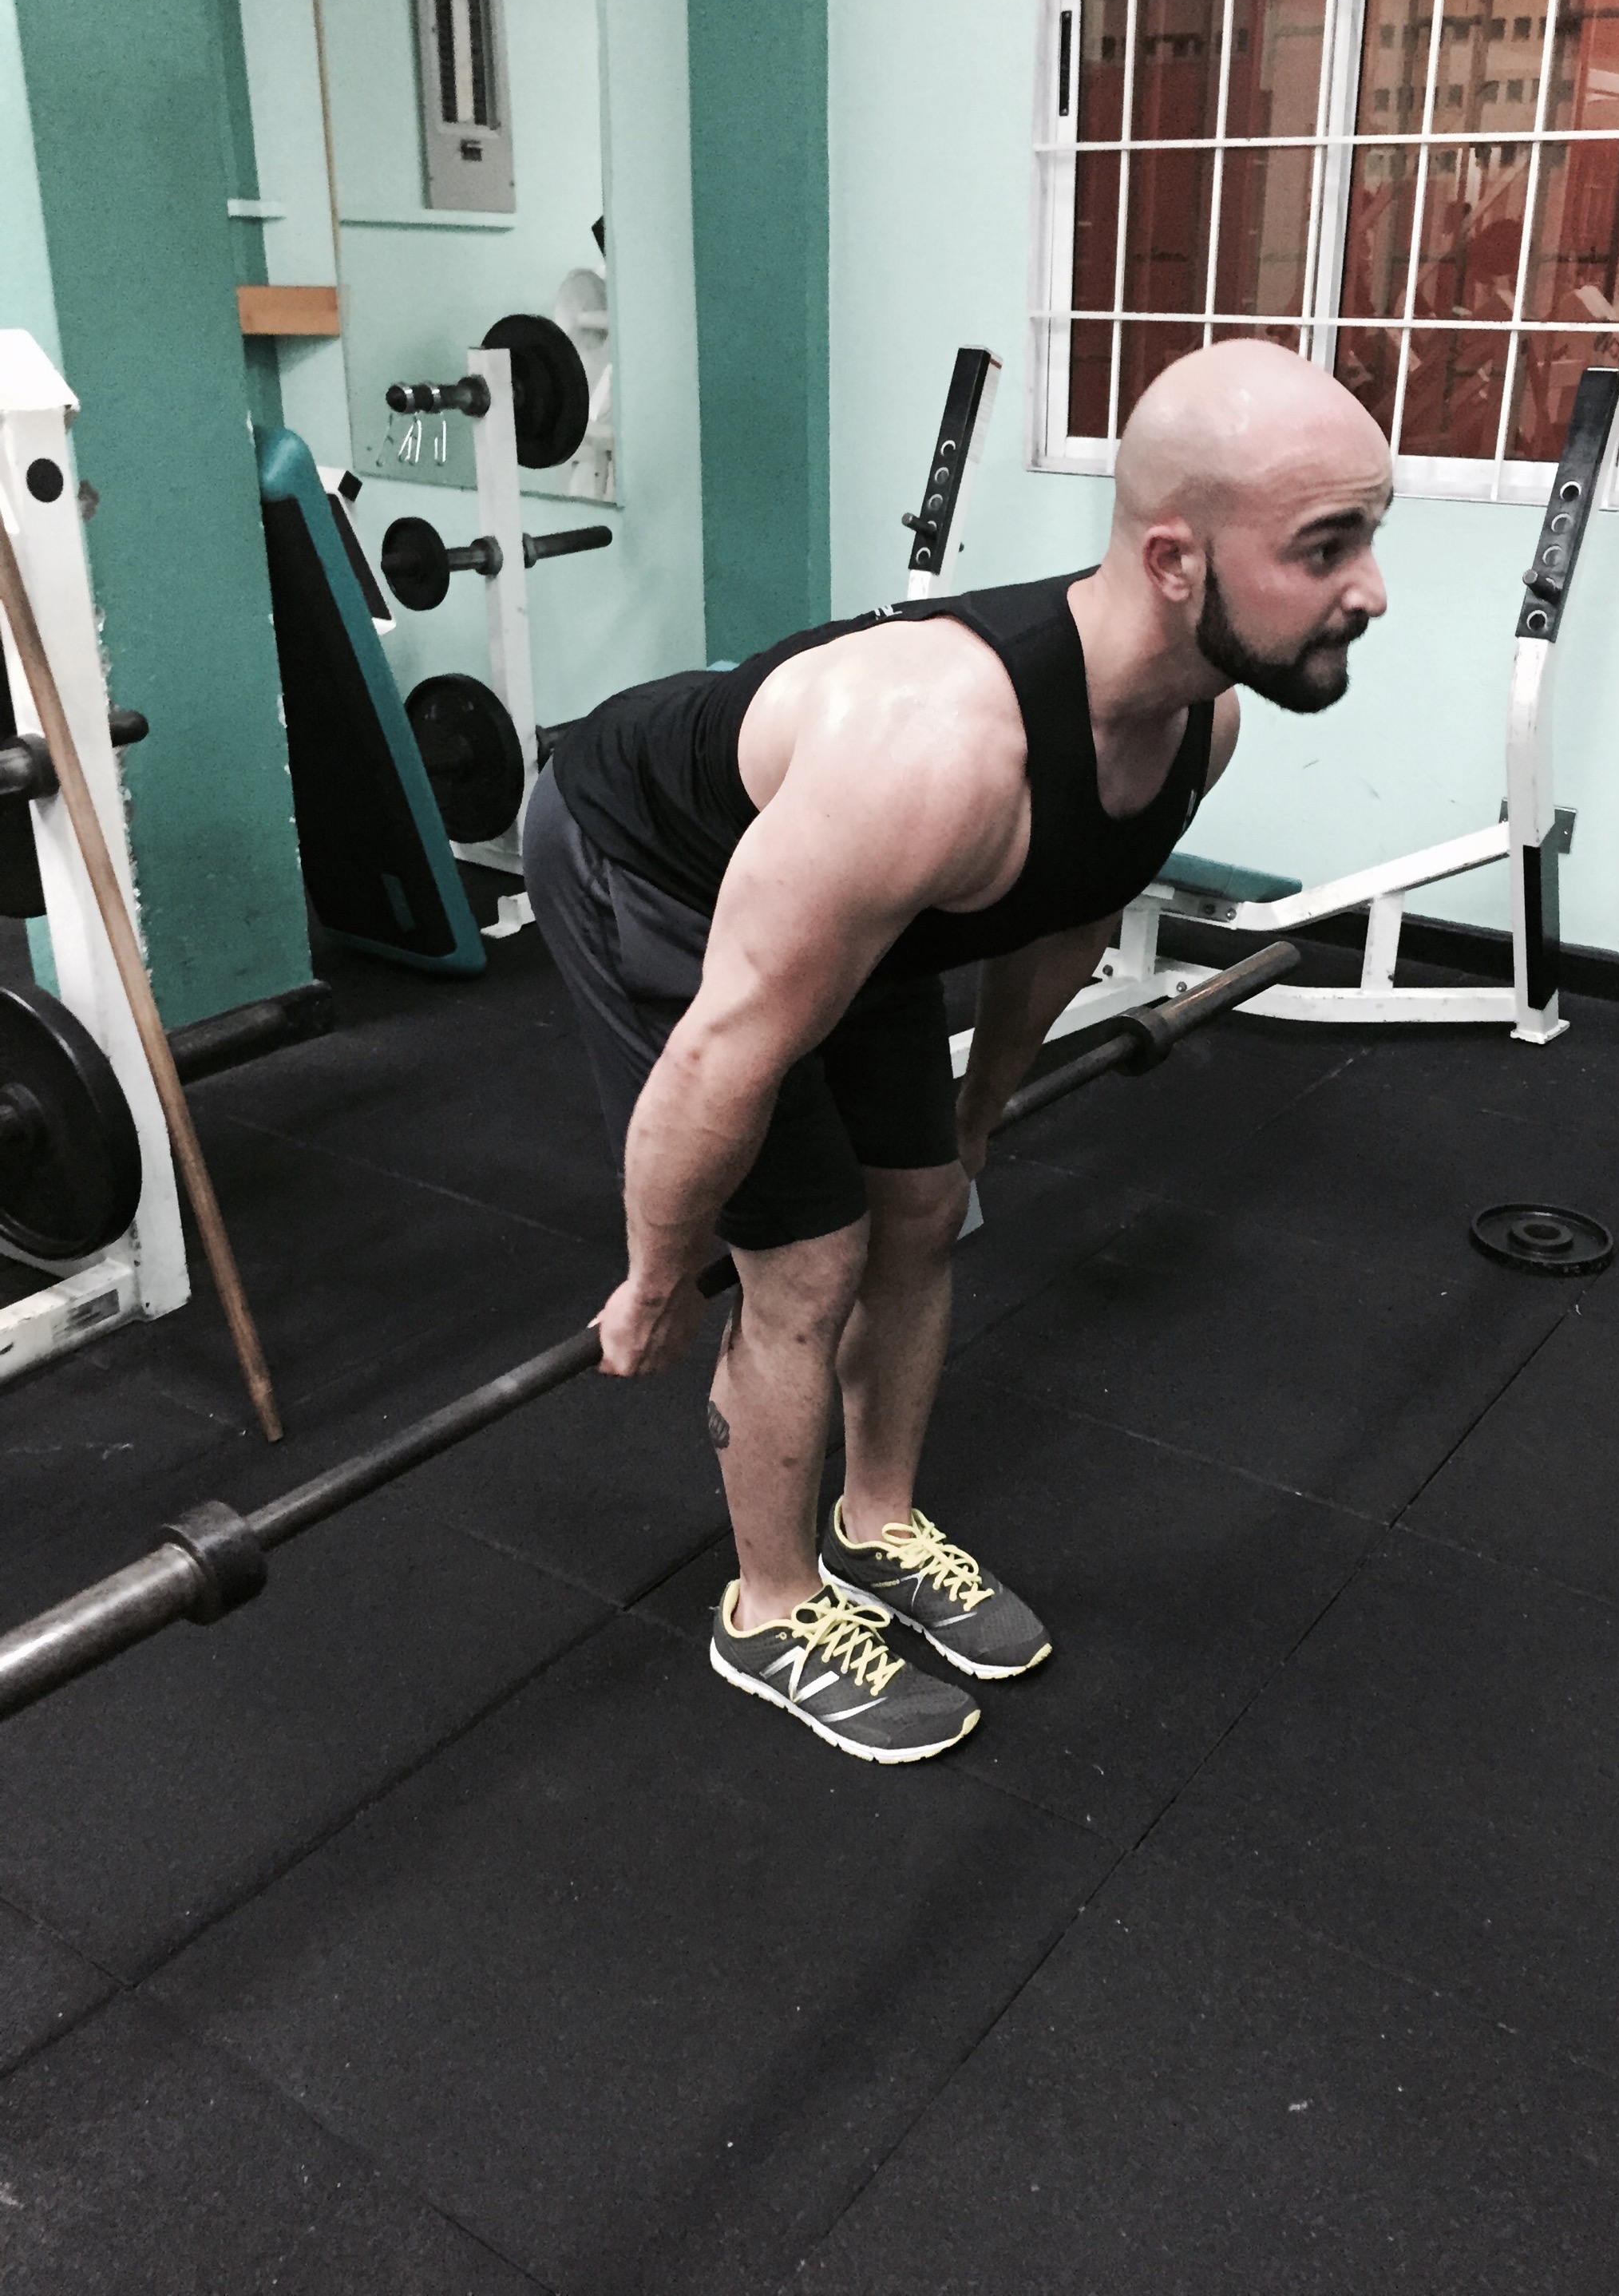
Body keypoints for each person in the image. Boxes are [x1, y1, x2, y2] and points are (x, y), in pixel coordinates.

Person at [523, 338, 1391, 1764]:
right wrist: (656, 1274)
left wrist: (977, 1112)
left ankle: (874, 1524)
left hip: (850, 891)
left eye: (1367, 538)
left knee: (923, 1207)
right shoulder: (933, 754)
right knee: (807, 1260)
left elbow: (1069, 908)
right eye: (1325, 546)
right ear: (1175, 560)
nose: (1370, 588)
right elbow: (721, 1054)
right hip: (654, 862)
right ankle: (769, 1607)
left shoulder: (1196, 720)